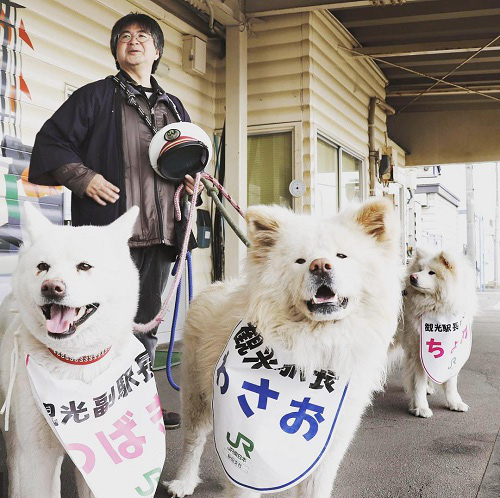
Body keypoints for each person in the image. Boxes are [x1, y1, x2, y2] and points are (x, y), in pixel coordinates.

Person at [29, 12, 201, 430]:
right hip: (109, 240)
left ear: (157, 51)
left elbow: (188, 156)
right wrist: (83, 178)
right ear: (116, 49)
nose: (134, 41)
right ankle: (98, 405)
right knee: (103, 324)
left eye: (144, 37)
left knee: (145, 325)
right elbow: (51, 142)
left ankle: (139, 404)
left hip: (161, 234)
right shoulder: (93, 97)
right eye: (124, 36)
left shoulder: (173, 106)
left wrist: (194, 180)